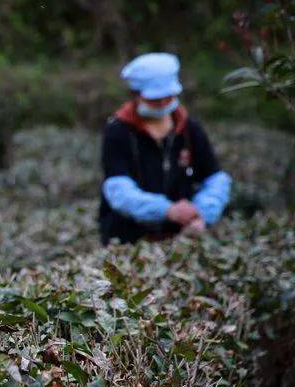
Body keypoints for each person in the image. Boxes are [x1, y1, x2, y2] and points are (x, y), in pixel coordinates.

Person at [99, 53, 232, 245]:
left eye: (168, 97)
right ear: (136, 95)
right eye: (155, 99)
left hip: (181, 238)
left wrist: (201, 212)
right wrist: (166, 210)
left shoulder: (189, 129)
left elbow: (215, 178)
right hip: (127, 239)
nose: (162, 103)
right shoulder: (118, 131)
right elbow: (118, 189)